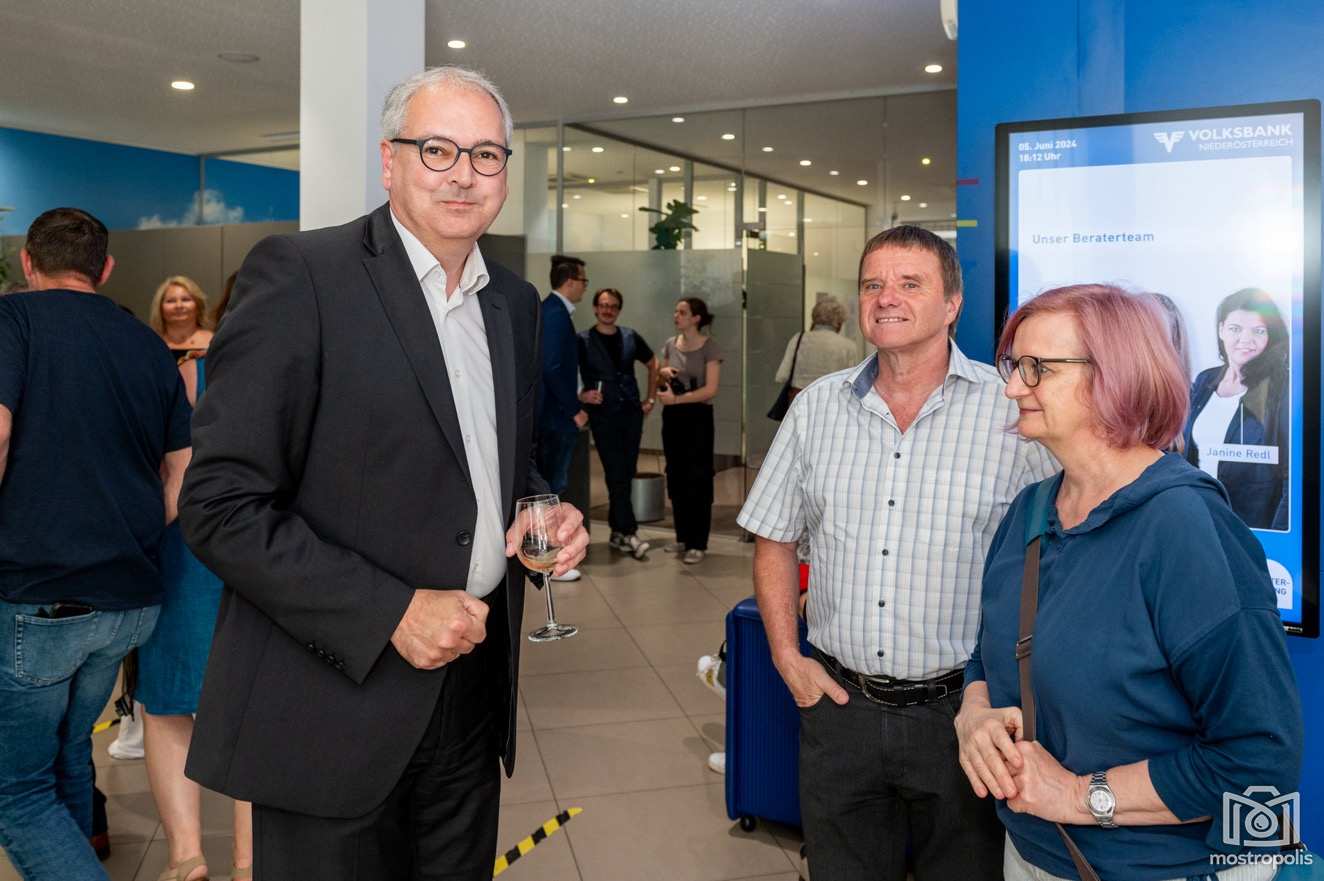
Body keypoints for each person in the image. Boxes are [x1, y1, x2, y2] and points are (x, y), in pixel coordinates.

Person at [178, 66, 588, 881]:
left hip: (472, 692)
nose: (463, 173)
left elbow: (495, 459)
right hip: (333, 701)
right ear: (388, 160)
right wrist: (391, 611)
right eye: (437, 149)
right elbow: (220, 504)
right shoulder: (302, 276)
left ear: (506, 173)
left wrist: (543, 507)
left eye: (485, 154)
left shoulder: (511, 302)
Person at [737, 225, 1058, 881]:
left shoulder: (1011, 412)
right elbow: (774, 536)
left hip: (964, 715)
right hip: (840, 710)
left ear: (952, 304)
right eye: (873, 284)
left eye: (911, 283)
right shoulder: (817, 408)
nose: (887, 297)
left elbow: (1064, 549)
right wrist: (787, 658)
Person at [958, 284, 1303, 881]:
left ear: (1113, 377)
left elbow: (1262, 767)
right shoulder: (1029, 512)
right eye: (1014, 366)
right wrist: (973, 712)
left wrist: (1078, 796)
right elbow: (989, 654)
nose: (1012, 388)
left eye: (1038, 368)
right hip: (1033, 855)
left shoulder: (1186, 528)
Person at [0, 207, 192, 880]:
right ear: (105, 268)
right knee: (69, 752)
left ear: (28, 262)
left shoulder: (11, 320)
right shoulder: (146, 343)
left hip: (40, 596)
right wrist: (134, 533)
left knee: (17, 792)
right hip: (129, 601)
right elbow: (184, 467)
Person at [139, 333, 252, 880]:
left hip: (189, 546)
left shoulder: (190, 374)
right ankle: (248, 862)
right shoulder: (298, 360)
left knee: (167, 703)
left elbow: (172, 470)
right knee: (251, 705)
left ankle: (187, 857)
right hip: (262, 544)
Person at [1182, 288, 1289, 530]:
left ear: (1270, 335)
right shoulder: (1205, 381)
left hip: (1251, 529)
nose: (1245, 339)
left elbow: (1290, 480)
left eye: (1258, 331)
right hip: (1198, 522)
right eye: (1235, 329)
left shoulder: (1282, 389)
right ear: (1221, 330)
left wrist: (1275, 539)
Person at [577, 287, 659, 559]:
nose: (607, 310)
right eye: (603, 305)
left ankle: (617, 532)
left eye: (613, 306)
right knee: (615, 472)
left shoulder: (630, 336)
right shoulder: (583, 340)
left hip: (631, 413)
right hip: (603, 415)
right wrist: (581, 396)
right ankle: (629, 531)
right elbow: (565, 371)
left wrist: (650, 399)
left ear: (619, 310)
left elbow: (653, 363)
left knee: (625, 471)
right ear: (595, 308)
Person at [658, 297, 723, 564]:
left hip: (698, 418)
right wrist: (663, 373)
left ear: (696, 318)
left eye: (682, 312)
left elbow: (711, 389)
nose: (677, 315)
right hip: (673, 417)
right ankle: (682, 537)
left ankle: (698, 542)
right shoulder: (670, 344)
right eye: (676, 311)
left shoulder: (710, 347)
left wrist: (678, 399)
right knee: (676, 475)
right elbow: (660, 378)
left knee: (698, 477)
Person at [536, 255, 589, 581]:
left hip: (553, 416)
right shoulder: (555, 314)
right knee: (552, 489)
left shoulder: (552, 310)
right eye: (584, 281)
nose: (585, 287)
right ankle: (552, 562)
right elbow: (552, 367)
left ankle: (551, 559)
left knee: (552, 487)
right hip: (555, 418)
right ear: (570, 282)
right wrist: (574, 409)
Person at [774, 296, 859, 398]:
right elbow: (851, 383)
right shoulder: (848, 346)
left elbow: (782, 376)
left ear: (814, 318)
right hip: (832, 400)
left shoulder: (798, 339)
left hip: (800, 399)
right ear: (839, 322)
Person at [149, 275, 214, 362]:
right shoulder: (150, 343)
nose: (179, 306)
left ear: (198, 305)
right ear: (159, 307)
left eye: (185, 299)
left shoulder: (214, 342)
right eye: (171, 301)